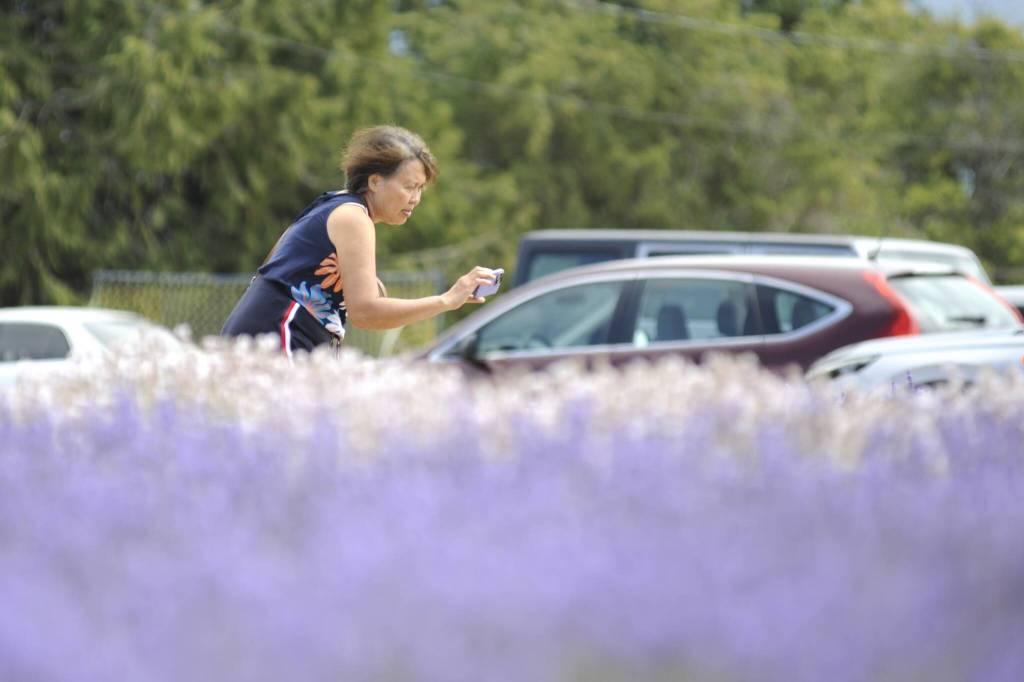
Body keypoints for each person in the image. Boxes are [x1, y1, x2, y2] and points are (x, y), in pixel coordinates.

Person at [221, 125, 498, 357]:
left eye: (420, 189)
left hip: (266, 335)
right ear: (375, 181)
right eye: (408, 187)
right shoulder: (354, 218)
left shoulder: (334, 205)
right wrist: (446, 300)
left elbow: (274, 266)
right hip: (276, 334)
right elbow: (365, 313)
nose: (415, 198)